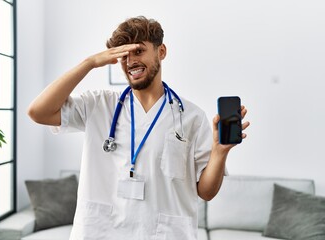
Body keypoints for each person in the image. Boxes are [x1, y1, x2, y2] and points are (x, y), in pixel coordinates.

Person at [28, 16, 249, 240]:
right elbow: (39, 112)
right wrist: (90, 63)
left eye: (139, 51)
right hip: (102, 232)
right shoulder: (99, 105)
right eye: (124, 55)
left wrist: (220, 152)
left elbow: (206, 192)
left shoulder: (191, 116)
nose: (130, 61)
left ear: (161, 51)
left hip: (164, 234)